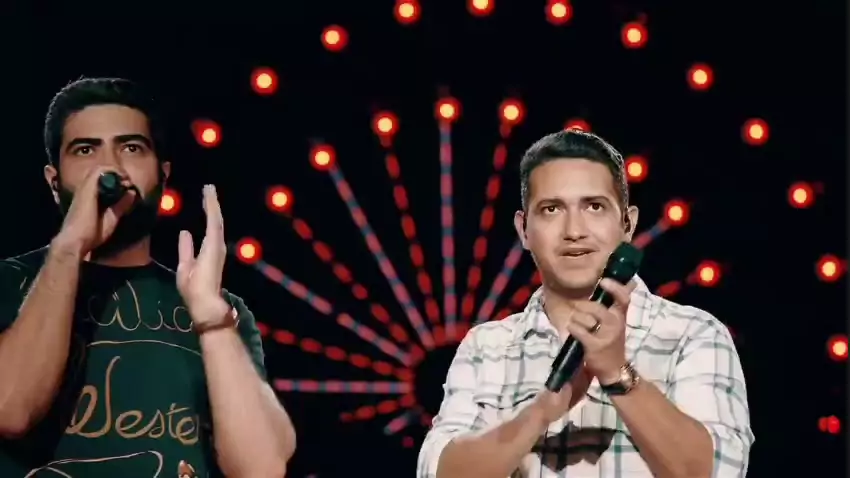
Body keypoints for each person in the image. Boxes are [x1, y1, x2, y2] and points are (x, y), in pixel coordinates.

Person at [0, 77, 296, 477]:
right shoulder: (9, 282)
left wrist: (213, 322)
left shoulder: (221, 311)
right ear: (54, 182)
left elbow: (261, 469)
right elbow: (9, 408)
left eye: (131, 148)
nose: (109, 168)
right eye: (85, 149)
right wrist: (69, 247)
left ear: (163, 175)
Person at [418, 130, 753, 477]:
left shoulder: (693, 334)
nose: (574, 230)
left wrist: (617, 373)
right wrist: (540, 412)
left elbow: (721, 470)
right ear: (524, 230)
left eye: (594, 206)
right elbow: (437, 472)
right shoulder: (487, 347)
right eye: (551, 209)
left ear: (627, 224)